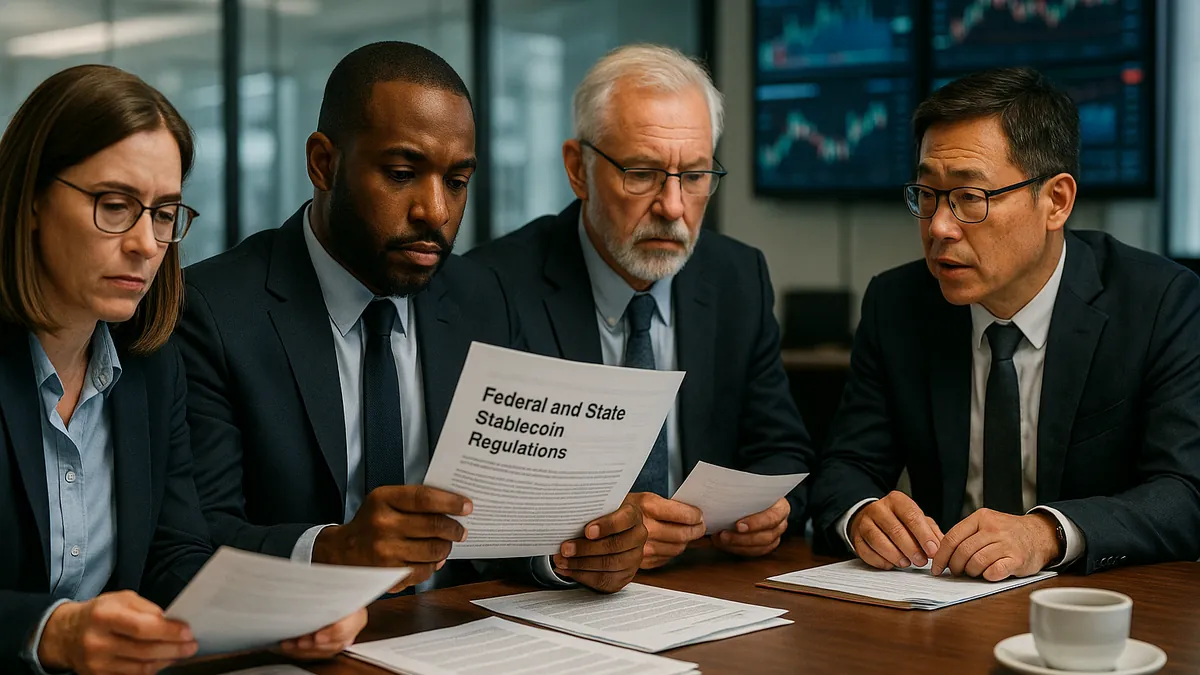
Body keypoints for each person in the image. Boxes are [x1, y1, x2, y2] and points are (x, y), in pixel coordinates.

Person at [177, 42, 645, 594]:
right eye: (402, 173)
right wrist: (333, 550)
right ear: (323, 164)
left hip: (454, 633)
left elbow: (504, 520)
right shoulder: (212, 310)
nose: (437, 212)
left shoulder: (480, 298)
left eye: (456, 181)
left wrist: (572, 553)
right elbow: (193, 542)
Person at [0, 65, 364, 675]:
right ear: (32, 200)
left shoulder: (151, 362)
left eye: (164, 213)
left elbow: (172, 556)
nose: (146, 242)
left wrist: (283, 610)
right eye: (115, 206)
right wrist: (49, 631)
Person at [810, 67, 1200, 580]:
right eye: (927, 195)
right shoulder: (898, 303)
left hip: (1093, 608)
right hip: (942, 603)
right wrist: (861, 515)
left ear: (1056, 201)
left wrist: (1046, 534)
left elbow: (1186, 491)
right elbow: (845, 466)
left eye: (970, 198)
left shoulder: (1158, 303)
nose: (940, 228)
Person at [467, 44, 814, 570]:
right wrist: (594, 534)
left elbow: (783, 450)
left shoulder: (736, 277)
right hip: (556, 605)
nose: (673, 206)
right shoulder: (493, 286)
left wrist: (776, 511)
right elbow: (483, 501)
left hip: (710, 587)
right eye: (642, 173)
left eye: (695, 176)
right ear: (578, 170)